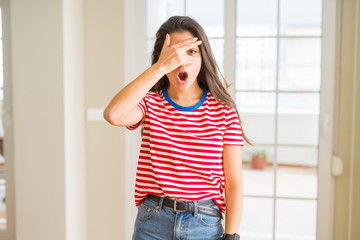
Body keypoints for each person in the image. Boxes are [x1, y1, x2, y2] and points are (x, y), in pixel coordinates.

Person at [104, 16, 251, 240]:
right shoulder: (150, 103)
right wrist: (161, 67)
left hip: (204, 224)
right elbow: (113, 114)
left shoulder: (223, 110)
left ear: (203, 57)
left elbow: (233, 184)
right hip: (152, 222)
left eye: (191, 51)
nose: (182, 61)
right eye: (174, 54)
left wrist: (231, 236)